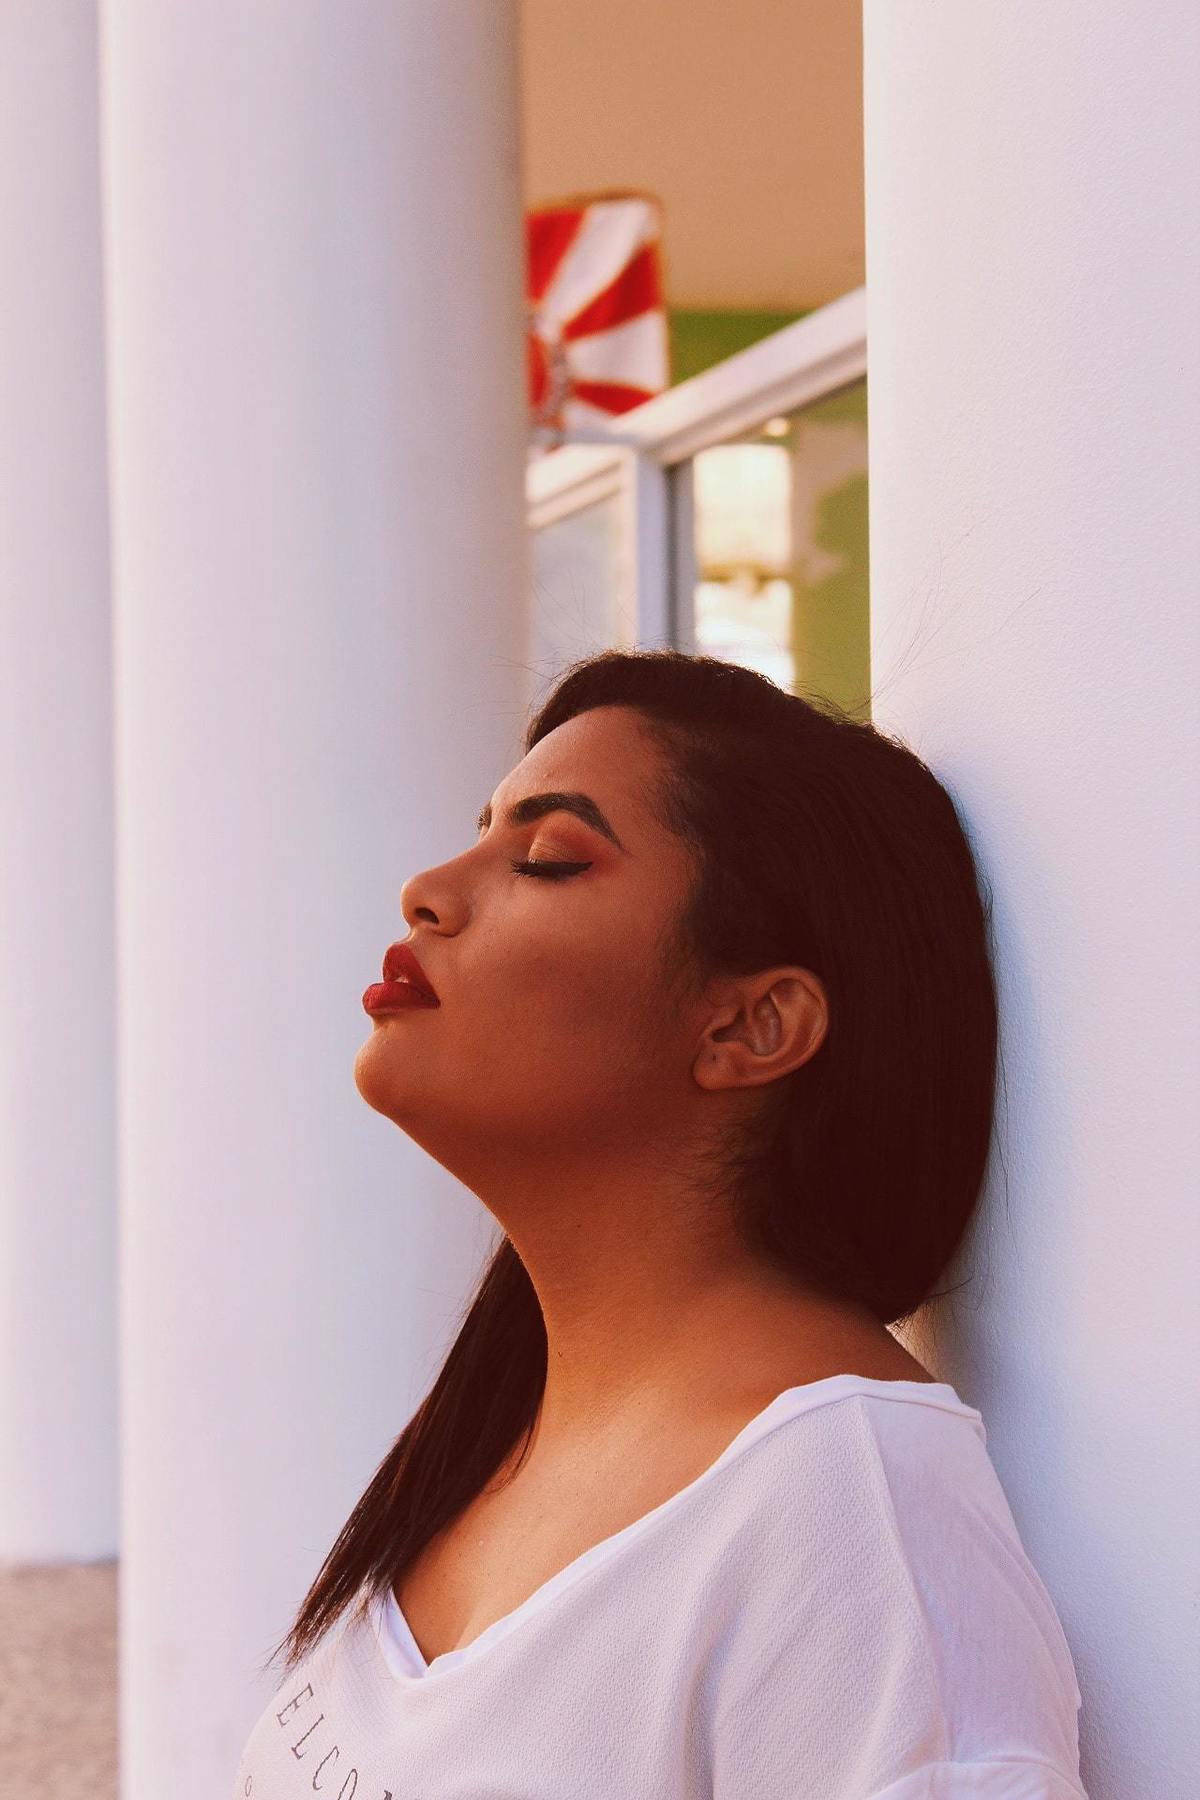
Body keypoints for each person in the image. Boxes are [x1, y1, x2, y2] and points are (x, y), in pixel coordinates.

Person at [232, 649, 1086, 1798]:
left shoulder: (850, 1511)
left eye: (547, 858)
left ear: (752, 1027)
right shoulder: (500, 1434)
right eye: (484, 832)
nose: (428, 889)